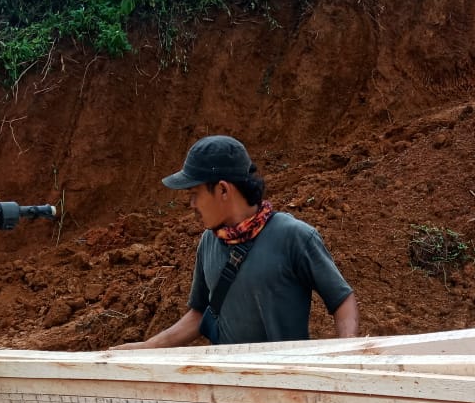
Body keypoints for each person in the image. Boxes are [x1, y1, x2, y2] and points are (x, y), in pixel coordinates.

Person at [114, 135, 358, 348]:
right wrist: (150, 346)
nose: (191, 205)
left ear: (222, 190)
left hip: (285, 386)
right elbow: (200, 312)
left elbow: (341, 299)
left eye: (194, 194)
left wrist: (345, 354)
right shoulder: (208, 243)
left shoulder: (293, 237)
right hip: (232, 386)